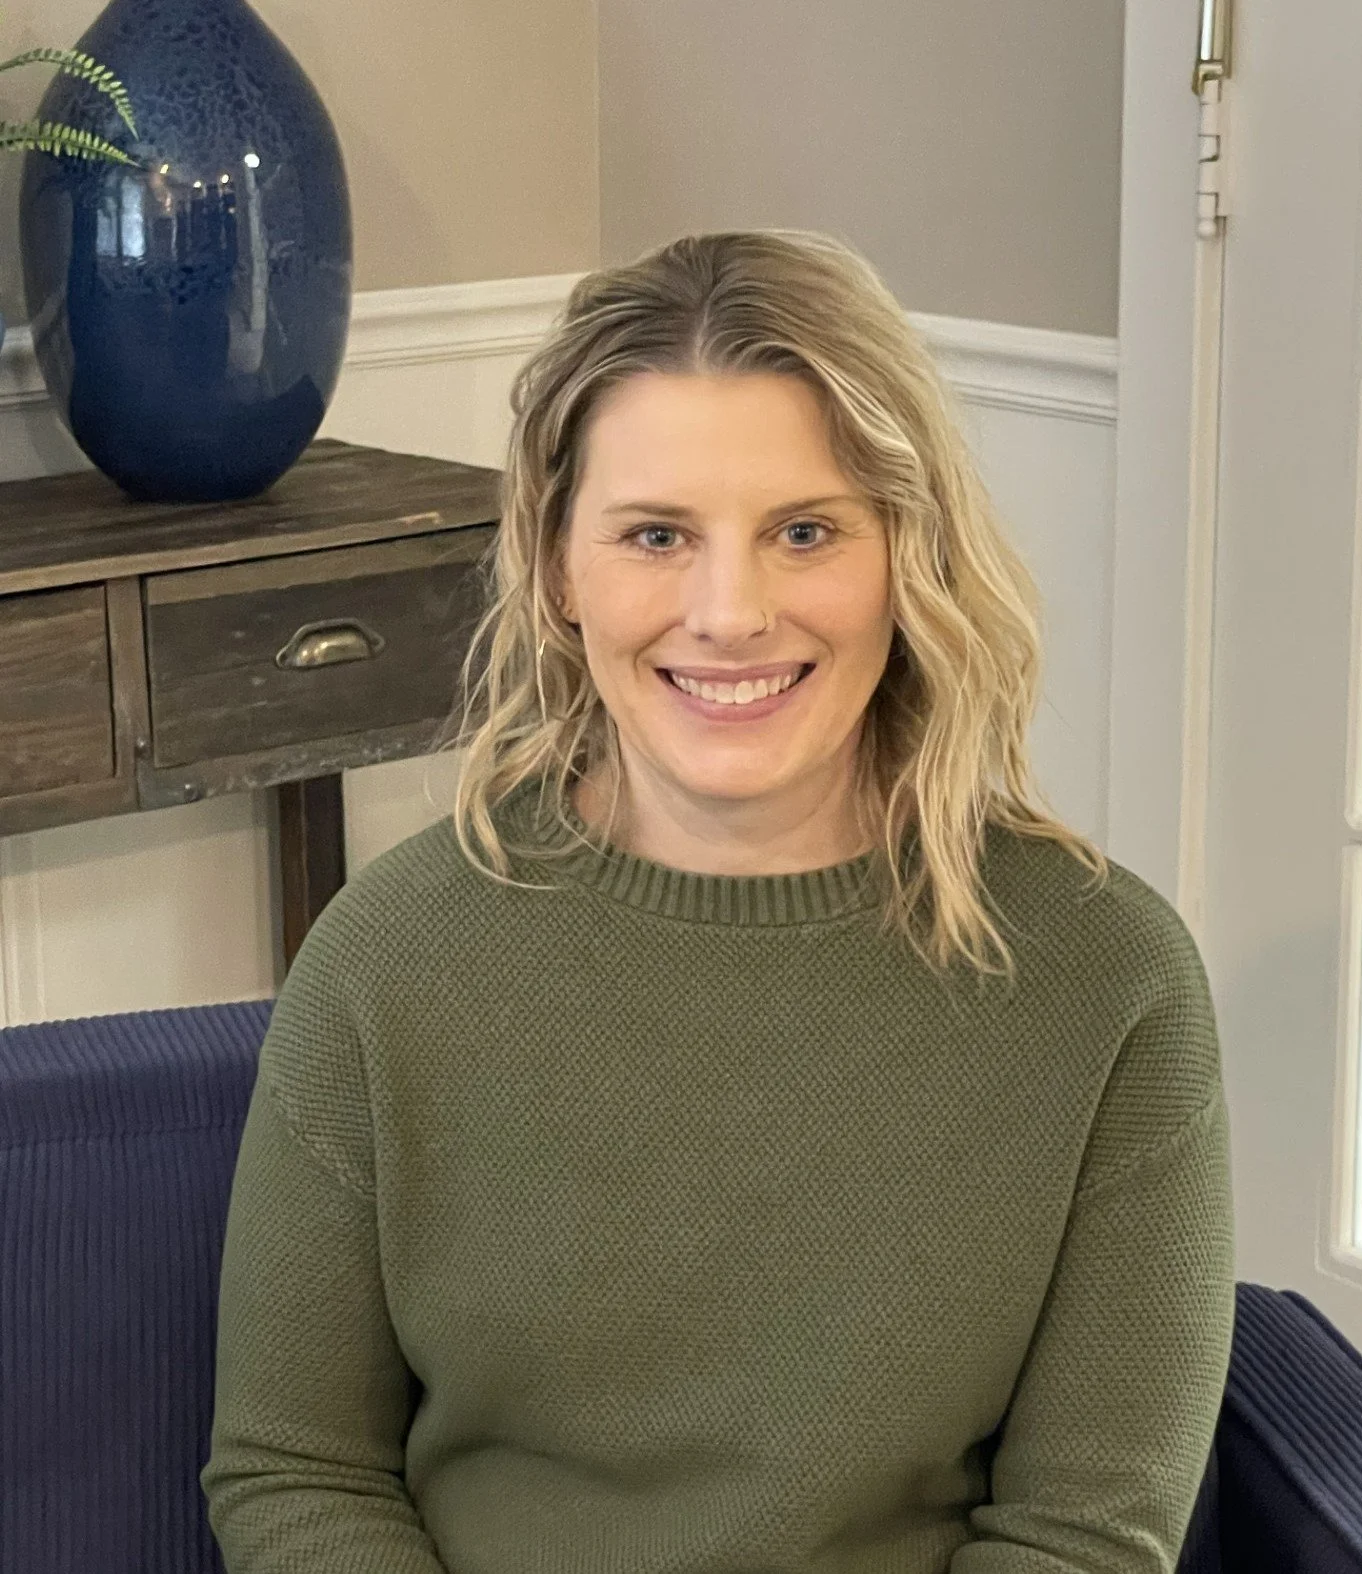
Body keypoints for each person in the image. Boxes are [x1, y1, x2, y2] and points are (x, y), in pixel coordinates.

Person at [200, 228, 1235, 1574]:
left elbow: (1082, 1536)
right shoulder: (388, 956)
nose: (730, 612)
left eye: (805, 531)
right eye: (656, 535)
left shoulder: (1108, 981)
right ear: (559, 568)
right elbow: (298, 1470)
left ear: (906, 554)